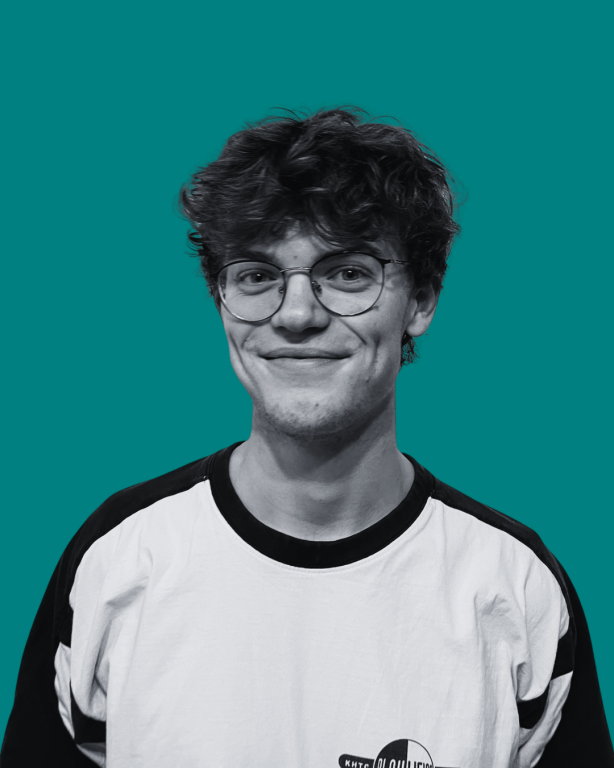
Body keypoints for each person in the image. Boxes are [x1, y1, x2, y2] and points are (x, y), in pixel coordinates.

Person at [1, 108, 611, 768]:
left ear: (421, 300)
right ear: (221, 301)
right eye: (257, 276)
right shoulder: (119, 559)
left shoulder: (513, 586)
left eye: (347, 273)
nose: (296, 314)